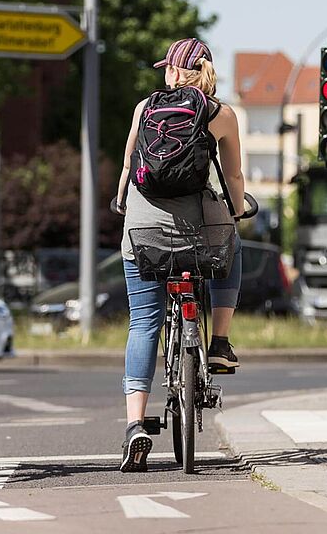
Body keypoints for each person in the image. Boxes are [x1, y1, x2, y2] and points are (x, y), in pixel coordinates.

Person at [113, 38, 246, 472]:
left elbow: (130, 162)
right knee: (232, 243)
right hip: (200, 229)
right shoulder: (221, 114)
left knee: (144, 322)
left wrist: (122, 204)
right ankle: (220, 342)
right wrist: (237, 212)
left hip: (144, 228)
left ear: (172, 72)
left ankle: (135, 425)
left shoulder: (144, 107)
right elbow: (233, 174)